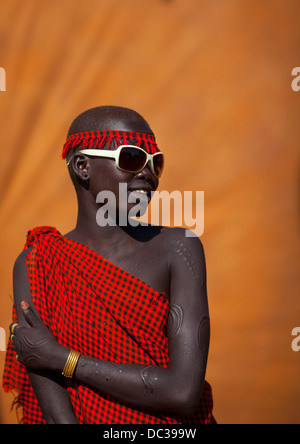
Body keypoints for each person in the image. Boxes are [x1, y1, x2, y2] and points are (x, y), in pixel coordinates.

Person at [3, 106, 215, 424]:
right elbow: (58, 415)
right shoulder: (39, 262)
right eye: (131, 158)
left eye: (156, 163)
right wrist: (49, 358)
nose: (148, 173)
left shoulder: (179, 247)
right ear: (83, 166)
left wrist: (63, 359)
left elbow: (183, 392)